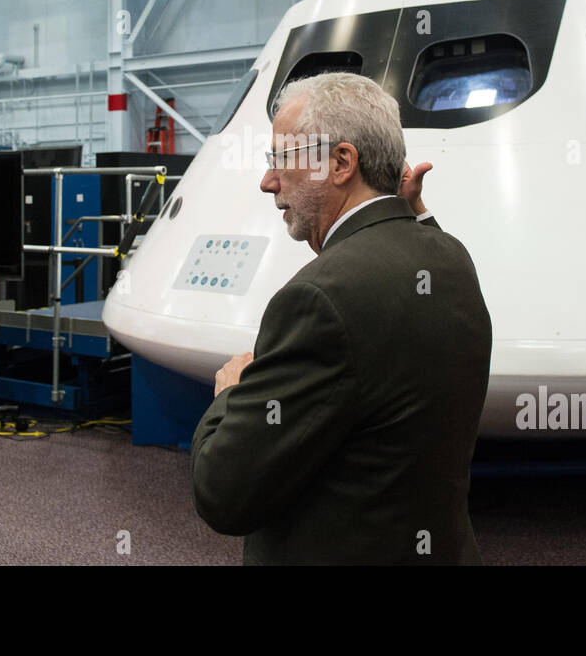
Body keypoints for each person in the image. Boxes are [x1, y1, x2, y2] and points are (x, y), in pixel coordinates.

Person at [191, 71, 492, 564]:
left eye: (281, 160)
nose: (268, 182)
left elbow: (223, 495)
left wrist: (231, 394)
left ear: (341, 162)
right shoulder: (449, 257)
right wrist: (407, 210)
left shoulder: (318, 299)